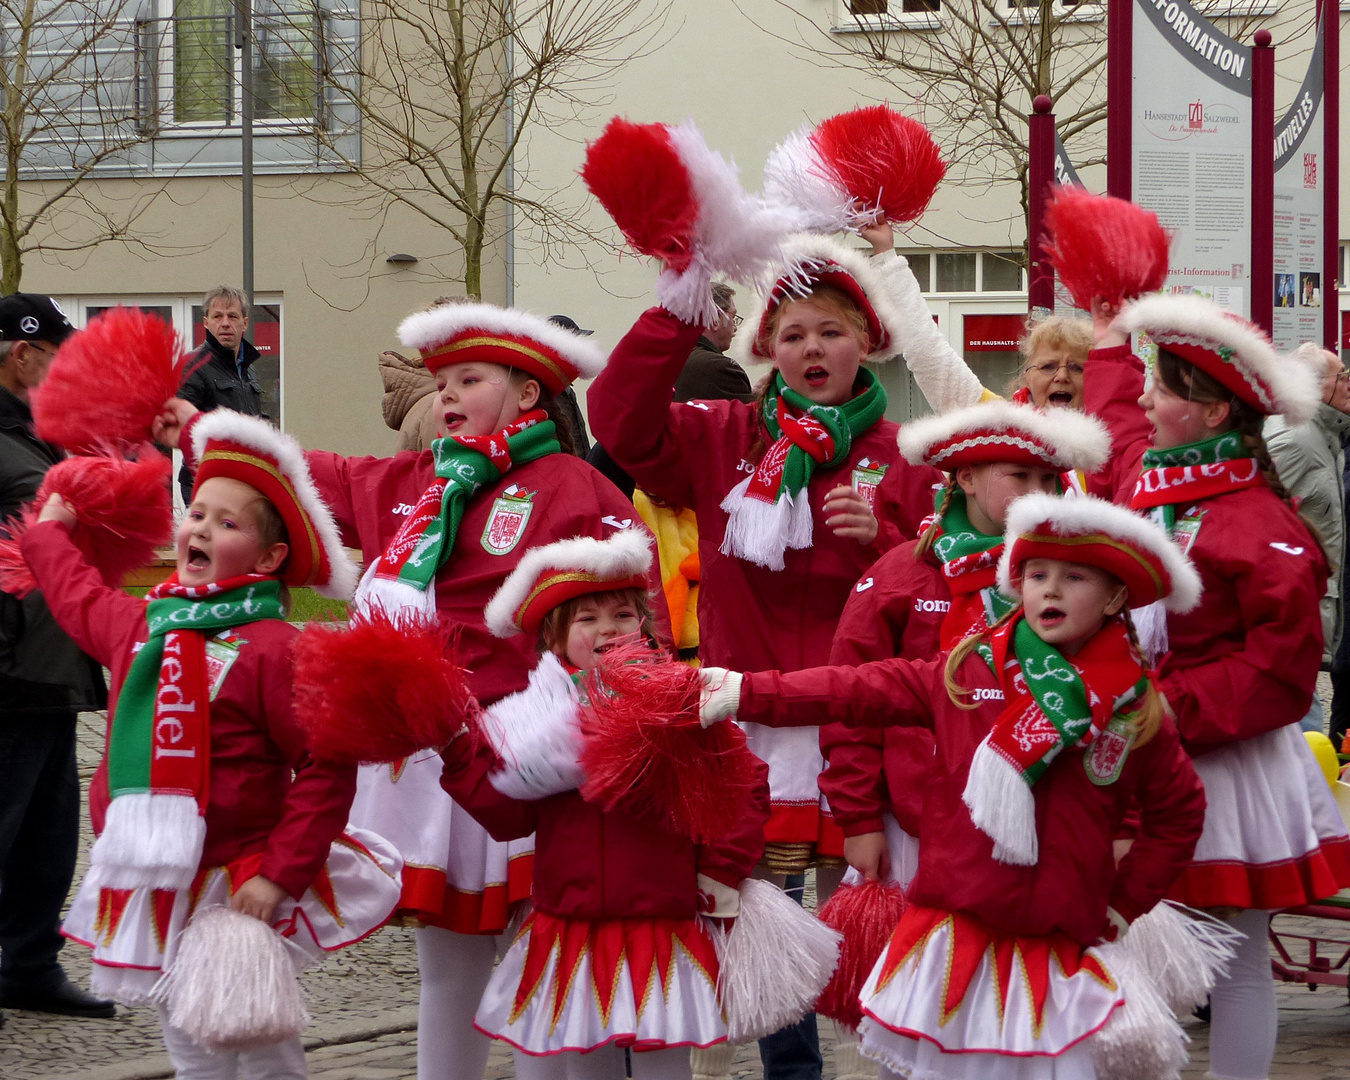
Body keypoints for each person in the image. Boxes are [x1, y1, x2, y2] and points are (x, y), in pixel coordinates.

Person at [159, 299, 653, 1080]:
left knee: (548, 959)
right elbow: (307, 472)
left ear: (528, 394)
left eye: (469, 378)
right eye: (441, 382)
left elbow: (623, 612)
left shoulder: (569, 483)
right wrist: (198, 428)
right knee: (448, 967)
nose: (447, 394)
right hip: (428, 764)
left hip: (527, 757)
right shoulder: (417, 480)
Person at [589, 230, 942, 1080]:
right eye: (793, 334)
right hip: (747, 713)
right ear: (765, 348)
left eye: (831, 331)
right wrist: (682, 298)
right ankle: (794, 1071)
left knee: (870, 907)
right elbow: (617, 417)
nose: (812, 349)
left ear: (870, 342)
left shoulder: (907, 459)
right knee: (766, 917)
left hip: (861, 724)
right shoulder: (722, 438)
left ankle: (899, 1057)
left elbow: (937, 605)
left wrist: (889, 542)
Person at [699, 492, 1208, 1079]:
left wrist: (1122, 906)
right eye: (1036, 573)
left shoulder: (1133, 708)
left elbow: (1179, 816)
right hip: (951, 938)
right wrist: (746, 691)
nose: (1051, 589)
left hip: (1059, 949)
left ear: (1117, 596)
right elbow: (855, 688)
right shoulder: (968, 669)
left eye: (1075, 577)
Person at [24, 410, 401, 1077]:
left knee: (259, 1044)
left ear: (270, 558)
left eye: (226, 523)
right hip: (161, 878)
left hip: (243, 880)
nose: (198, 528)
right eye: (195, 512)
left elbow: (325, 765)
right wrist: (53, 530)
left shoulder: (275, 650)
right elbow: (76, 594)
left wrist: (279, 875)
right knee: (189, 1047)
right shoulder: (142, 627)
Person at [1086, 294, 1350, 1080]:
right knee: (1138, 951)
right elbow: (1118, 433)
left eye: (1160, 388)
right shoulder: (1151, 483)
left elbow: (1283, 664)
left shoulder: (1256, 518)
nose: (1143, 399)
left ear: (1209, 410)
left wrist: (1170, 710)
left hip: (1226, 768)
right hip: (1142, 751)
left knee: (1232, 964)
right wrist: (1109, 339)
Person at [438, 530, 769, 1079]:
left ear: (645, 624)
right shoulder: (531, 719)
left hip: (660, 919)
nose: (608, 629)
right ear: (554, 637)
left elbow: (744, 785)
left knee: (664, 1066)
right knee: (586, 1068)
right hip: (571, 924)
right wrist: (457, 754)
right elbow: (508, 816)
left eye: (622, 614)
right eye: (586, 619)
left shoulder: (682, 698)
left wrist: (722, 870)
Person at [0, 293, 116, 1025]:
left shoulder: (41, 432)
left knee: (47, 832)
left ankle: (30, 965)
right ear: (22, 353)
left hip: (53, 660)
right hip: (7, 663)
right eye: (58, 354)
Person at [1265, 344, 1350, 734]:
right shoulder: (1294, 441)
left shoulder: (1325, 437)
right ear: (1315, 388)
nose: (1349, 384)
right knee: (1303, 731)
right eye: (1342, 377)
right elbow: (1260, 520)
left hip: (1314, 610)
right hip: (1293, 614)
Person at [176, 286, 264, 502]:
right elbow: (182, 432)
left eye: (232, 316)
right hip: (207, 485)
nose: (225, 323)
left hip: (246, 482)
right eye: (218, 316)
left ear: (244, 323)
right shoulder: (192, 366)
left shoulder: (249, 369)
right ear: (206, 322)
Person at [673, 282, 752, 404]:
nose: (735, 327)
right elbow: (750, 416)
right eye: (733, 317)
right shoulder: (721, 369)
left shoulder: (667, 359)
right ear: (715, 319)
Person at [1009, 314, 1092, 410]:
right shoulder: (1002, 424)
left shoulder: (1111, 423)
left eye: (1076, 368)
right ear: (1028, 378)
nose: (1062, 376)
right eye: (1048, 367)